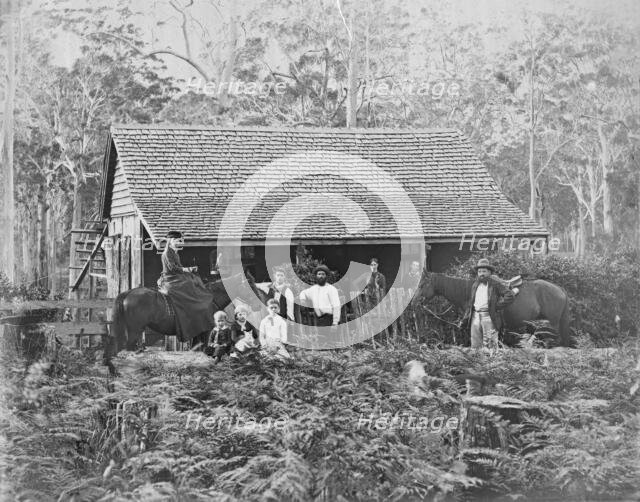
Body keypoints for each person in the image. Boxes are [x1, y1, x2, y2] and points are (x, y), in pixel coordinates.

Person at [157, 230, 214, 341]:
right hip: (170, 277)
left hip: (176, 276)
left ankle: (198, 302)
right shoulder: (167, 253)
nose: (178, 243)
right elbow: (173, 268)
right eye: (176, 241)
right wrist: (186, 269)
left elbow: (179, 267)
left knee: (194, 278)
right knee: (188, 283)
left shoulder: (174, 252)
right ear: (170, 241)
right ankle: (191, 304)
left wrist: (189, 269)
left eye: (179, 241)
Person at [461, 258, 515, 350]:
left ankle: (492, 362)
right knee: (475, 343)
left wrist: (497, 306)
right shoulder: (475, 285)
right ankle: (477, 362)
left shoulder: (495, 284)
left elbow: (510, 295)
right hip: (475, 316)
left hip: (489, 316)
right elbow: (472, 302)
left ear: (489, 272)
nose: (481, 274)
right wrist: (466, 317)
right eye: (479, 271)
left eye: (484, 271)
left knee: (491, 343)